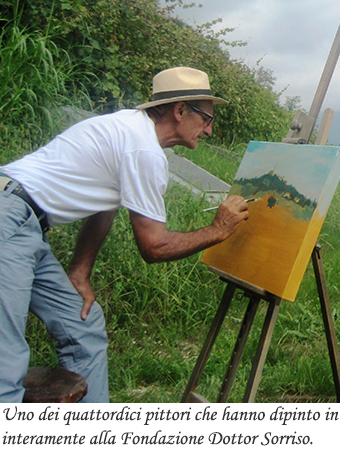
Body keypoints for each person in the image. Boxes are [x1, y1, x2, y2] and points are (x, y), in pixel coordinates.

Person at [0, 66, 250, 402]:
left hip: (24, 225)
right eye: (206, 118)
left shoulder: (129, 130)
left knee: (82, 327)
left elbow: (106, 201)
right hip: (9, 218)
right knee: (6, 361)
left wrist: (81, 270)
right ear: (179, 111)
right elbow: (153, 247)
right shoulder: (143, 149)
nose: (208, 129)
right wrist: (219, 230)